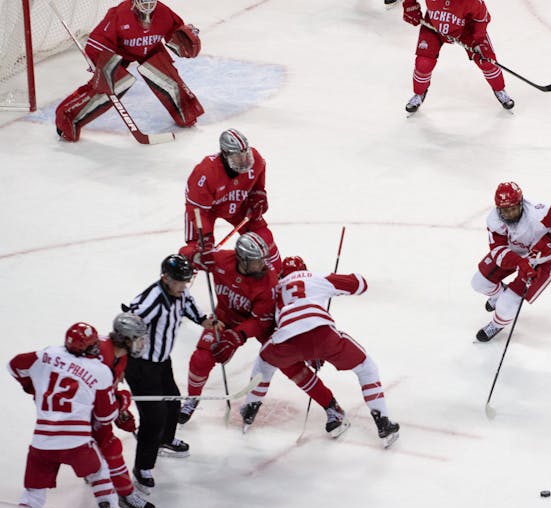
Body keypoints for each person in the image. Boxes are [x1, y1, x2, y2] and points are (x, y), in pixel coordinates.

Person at [178, 233, 343, 433]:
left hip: (261, 324)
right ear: (243, 259)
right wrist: (196, 255)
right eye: (257, 261)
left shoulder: (269, 283)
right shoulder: (221, 260)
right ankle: (192, 399)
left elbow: (259, 321)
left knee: (290, 364)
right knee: (200, 358)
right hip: (224, 319)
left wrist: (235, 337)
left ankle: (331, 406)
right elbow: (183, 255)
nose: (263, 265)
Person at [243, 255, 401, 448]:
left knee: (263, 363)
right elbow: (360, 284)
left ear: (282, 274)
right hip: (323, 334)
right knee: (366, 367)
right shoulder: (314, 277)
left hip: (286, 339)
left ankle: (251, 407)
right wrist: (335, 280)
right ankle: (382, 421)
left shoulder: (275, 289)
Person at [7, 323, 124, 508]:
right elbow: (105, 417)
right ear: (88, 347)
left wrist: (32, 386)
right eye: (94, 344)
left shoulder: (47, 355)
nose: (98, 346)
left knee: (33, 494)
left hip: (42, 443)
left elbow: (13, 365)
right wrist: (122, 401)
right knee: (98, 471)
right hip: (77, 443)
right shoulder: (100, 371)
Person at [124, 254, 213, 492]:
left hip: (162, 362)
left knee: (173, 403)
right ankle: (142, 467)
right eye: (180, 282)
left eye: (186, 282)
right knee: (153, 418)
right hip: (142, 367)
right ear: (165, 278)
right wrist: (120, 359)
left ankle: (164, 439)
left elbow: (189, 305)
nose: (184, 287)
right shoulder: (152, 300)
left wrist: (205, 321)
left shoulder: (180, 292)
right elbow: (129, 322)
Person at [54, 0, 203, 141]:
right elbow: (96, 42)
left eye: (151, 2)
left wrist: (185, 39)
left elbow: (176, 31)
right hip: (120, 52)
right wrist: (101, 64)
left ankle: (187, 112)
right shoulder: (119, 14)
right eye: (144, 2)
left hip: (151, 49)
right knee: (112, 85)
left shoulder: (164, 12)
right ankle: (67, 116)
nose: (148, 6)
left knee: (167, 76)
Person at [471, 181, 551, 342]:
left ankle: (497, 324)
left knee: (505, 307)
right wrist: (521, 263)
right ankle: (498, 295)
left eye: (513, 208)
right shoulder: (494, 220)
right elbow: (498, 251)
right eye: (505, 210)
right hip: (515, 253)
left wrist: (550, 240)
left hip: (544, 260)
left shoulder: (539, 213)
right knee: (479, 283)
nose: (509, 213)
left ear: (521, 203)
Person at [184, 129, 281, 271]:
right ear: (225, 155)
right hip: (206, 210)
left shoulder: (256, 160)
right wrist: (205, 236)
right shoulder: (205, 173)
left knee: (264, 236)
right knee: (198, 250)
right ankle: (182, 281)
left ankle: (277, 274)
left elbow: (259, 176)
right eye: (237, 157)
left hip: (238, 204)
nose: (244, 161)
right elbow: (196, 211)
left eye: (245, 154)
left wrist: (258, 195)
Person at [94, 312, 157, 508]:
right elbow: (97, 397)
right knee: (110, 447)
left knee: (105, 448)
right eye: (138, 339)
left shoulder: (120, 357)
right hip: (79, 413)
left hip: (93, 411)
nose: (141, 343)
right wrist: (121, 402)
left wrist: (121, 411)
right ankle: (125, 495)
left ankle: (95, 471)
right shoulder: (100, 355)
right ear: (127, 339)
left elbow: (108, 391)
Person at [401, 0, 514, 113]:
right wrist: (409, 6)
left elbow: (482, 18)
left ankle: (500, 89)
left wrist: (479, 40)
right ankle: (419, 93)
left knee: (487, 61)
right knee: (424, 63)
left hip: (466, 28)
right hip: (434, 24)